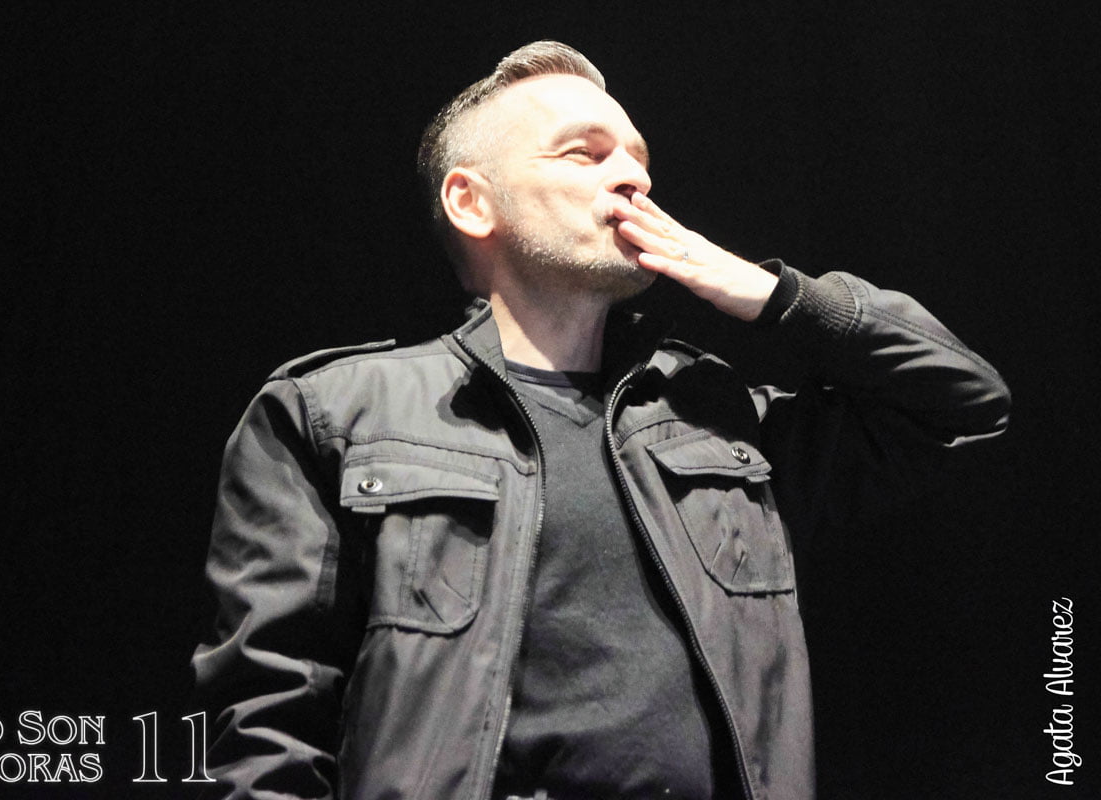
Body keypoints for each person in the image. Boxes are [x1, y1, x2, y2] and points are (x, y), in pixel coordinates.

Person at [192, 41, 1010, 800]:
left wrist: (778, 297)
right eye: (585, 154)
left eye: (639, 161)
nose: (632, 180)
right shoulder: (334, 415)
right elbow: (269, 724)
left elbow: (962, 403)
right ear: (472, 202)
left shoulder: (720, 422)